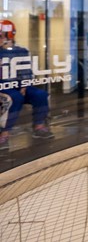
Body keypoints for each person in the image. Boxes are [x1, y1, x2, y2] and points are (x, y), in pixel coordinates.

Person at [0, 20, 54, 150]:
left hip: (19, 85)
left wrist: (25, 85)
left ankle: (39, 125)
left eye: (1, 36)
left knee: (40, 95)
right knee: (15, 98)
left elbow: (26, 71)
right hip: (3, 87)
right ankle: (5, 132)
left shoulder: (21, 51)